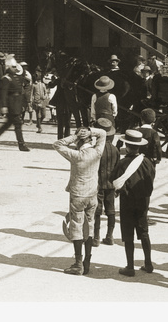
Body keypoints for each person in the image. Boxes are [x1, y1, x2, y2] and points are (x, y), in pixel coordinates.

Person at [53, 125, 107, 275]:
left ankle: (78, 263)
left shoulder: (76, 155)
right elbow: (103, 133)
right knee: (89, 226)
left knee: (76, 227)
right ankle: (87, 262)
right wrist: (90, 131)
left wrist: (76, 136)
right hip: (92, 194)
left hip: (78, 194)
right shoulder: (97, 152)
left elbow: (57, 144)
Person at [112, 129, 157, 278]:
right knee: (144, 232)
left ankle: (130, 266)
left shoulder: (123, 163)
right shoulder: (148, 162)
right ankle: (148, 264)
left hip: (127, 202)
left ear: (127, 146)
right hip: (143, 201)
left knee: (128, 235)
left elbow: (115, 181)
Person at [0, 60, 30, 151]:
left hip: (17, 103)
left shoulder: (15, 77)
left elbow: (20, 91)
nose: (15, 68)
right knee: (18, 124)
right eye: (13, 67)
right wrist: (4, 106)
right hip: (11, 103)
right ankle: (21, 144)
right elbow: (3, 93)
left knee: (7, 124)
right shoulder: (6, 78)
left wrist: (22, 104)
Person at [92, 117, 120, 247]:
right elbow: (118, 168)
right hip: (111, 184)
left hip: (97, 184)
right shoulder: (115, 150)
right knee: (111, 210)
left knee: (97, 211)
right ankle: (110, 236)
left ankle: (96, 237)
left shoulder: (95, 149)